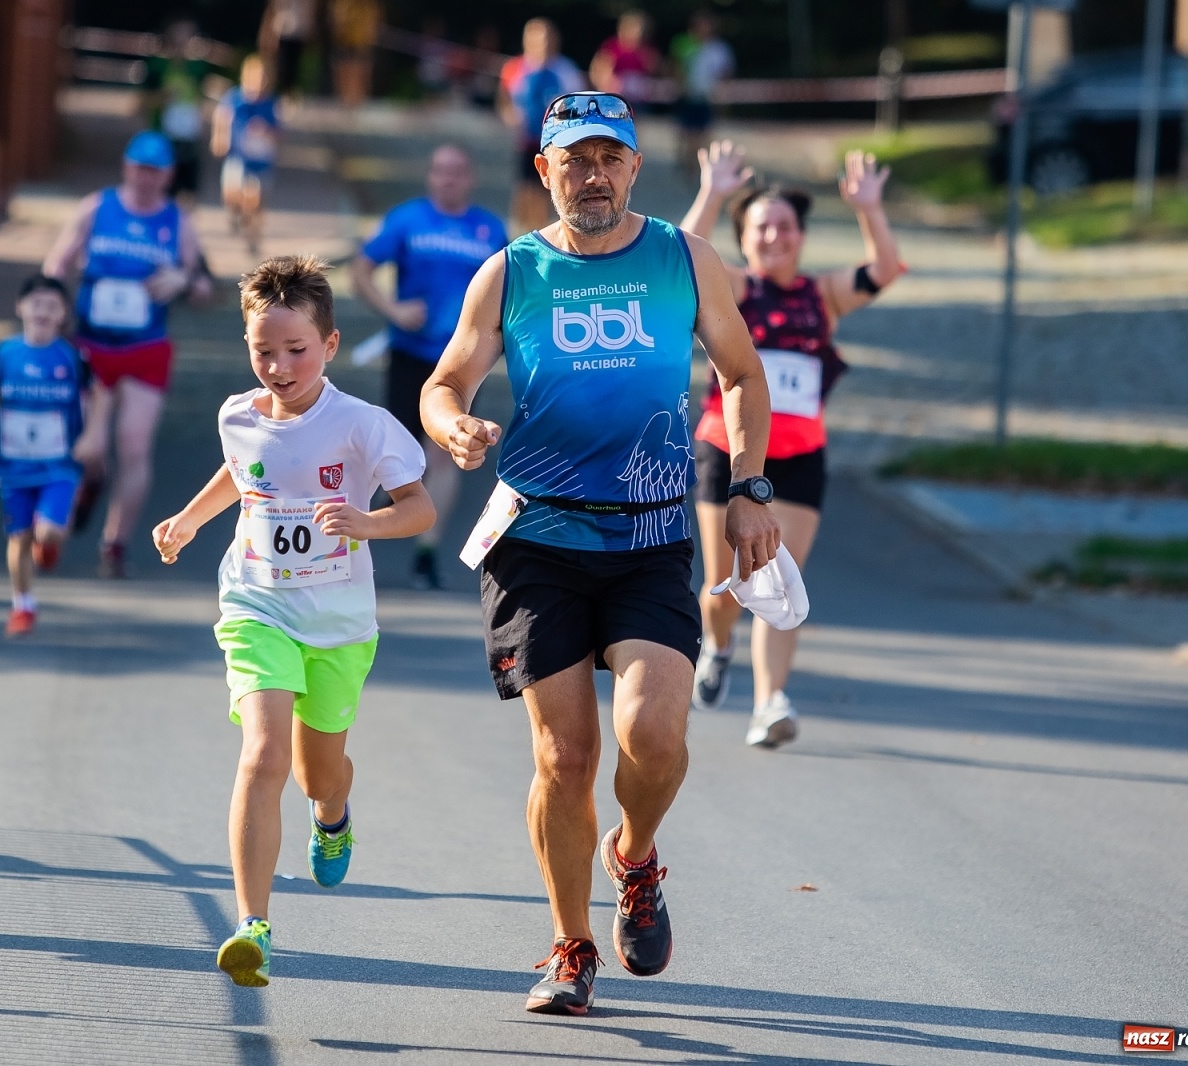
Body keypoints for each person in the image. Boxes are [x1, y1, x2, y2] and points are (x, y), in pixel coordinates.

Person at [420, 92, 782, 1015]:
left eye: (609, 158)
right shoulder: (510, 273)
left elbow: (742, 374)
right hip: (537, 538)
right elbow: (444, 380)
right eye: (573, 159)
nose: (593, 175)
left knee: (653, 736)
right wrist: (453, 424)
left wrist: (746, 488)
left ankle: (635, 856)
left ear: (633, 166)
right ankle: (569, 946)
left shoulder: (682, 259)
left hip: (654, 532)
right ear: (544, 171)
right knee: (563, 758)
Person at [151, 255, 435, 987]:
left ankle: (334, 814)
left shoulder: (362, 426)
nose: (278, 367)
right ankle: (253, 927)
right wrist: (185, 521)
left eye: (296, 350)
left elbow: (420, 509)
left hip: (339, 625)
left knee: (318, 775)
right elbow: (242, 473)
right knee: (263, 755)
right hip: (257, 605)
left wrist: (366, 522)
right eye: (263, 351)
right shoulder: (237, 415)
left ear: (331, 345)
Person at [681, 141, 902, 746]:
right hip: (726, 450)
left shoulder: (821, 296)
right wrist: (714, 192)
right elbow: (678, 257)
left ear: (801, 236)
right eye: (761, 228)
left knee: (781, 581)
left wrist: (869, 210)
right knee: (724, 586)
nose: (774, 237)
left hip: (800, 456)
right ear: (744, 239)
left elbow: (884, 269)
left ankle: (770, 702)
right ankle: (719, 645)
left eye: (785, 227)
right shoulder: (735, 291)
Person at [42, 130, 214, 579]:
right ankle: (86, 486)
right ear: (126, 167)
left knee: (134, 445)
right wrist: (51, 308)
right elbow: (56, 264)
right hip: (92, 345)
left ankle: (114, 543)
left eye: (155, 171)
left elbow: (203, 285)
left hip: (146, 348)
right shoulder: (97, 208)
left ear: (168, 175)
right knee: (87, 447)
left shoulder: (177, 221)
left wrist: (181, 280)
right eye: (139, 168)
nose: (145, 178)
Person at [351, 143, 507, 589]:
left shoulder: (489, 230)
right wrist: (394, 310)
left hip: (460, 362)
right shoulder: (406, 220)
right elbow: (361, 272)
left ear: (469, 177)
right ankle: (358, 535)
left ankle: (425, 553)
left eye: (457, 172)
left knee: (442, 451)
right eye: (440, 171)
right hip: (410, 353)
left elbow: (512, 292)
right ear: (430, 177)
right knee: (390, 451)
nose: (448, 179)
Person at [0, 275, 109, 637]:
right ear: (20, 307)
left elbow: (99, 396)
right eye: (36, 304)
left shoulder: (71, 356)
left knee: (46, 533)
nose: (43, 312)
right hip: (13, 463)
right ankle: (23, 605)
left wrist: (93, 436)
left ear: (64, 314)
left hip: (58, 463)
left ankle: (49, 541)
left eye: (53, 306)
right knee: (18, 538)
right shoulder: (5, 353)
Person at [496, 19, 584, 236]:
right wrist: (510, 116)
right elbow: (504, 98)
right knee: (524, 188)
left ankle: (539, 232)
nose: (542, 44)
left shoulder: (565, 70)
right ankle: (520, 231)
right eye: (536, 39)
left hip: (556, 140)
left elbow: (578, 102)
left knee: (546, 187)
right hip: (527, 139)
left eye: (546, 39)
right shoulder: (515, 68)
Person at [141, 16, 220, 208]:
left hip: (190, 139)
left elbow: (206, 100)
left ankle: (184, 231)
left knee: (189, 191)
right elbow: (140, 102)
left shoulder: (199, 68)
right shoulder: (157, 67)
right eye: (180, 37)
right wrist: (163, 97)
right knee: (163, 190)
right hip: (164, 138)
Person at [212, 54, 279, 256]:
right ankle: (235, 212)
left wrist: (266, 132)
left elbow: (279, 132)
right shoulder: (235, 99)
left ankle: (253, 238)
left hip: (260, 162)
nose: (259, 84)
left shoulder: (270, 104)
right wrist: (219, 138)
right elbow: (221, 118)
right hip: (237, 157)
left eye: (263, 79)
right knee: (231, 195)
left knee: (256, 200)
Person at [669, 10, 734, 174]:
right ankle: (687, 163)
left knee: (705, 133)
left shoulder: (719, 49)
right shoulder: (685, 44)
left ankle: (699, 166)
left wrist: (722, 94)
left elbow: (726, 73)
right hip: (688, 96)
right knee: (688, 132)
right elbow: (674, 67)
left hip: (708, 98)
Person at [589, 11, 658, 103]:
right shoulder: (611, 48)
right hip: (616, 100)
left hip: (643, 100)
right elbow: (598, 74)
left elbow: (654, 75)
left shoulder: (647, 52)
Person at [258, 0, 313, 101]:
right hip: (283, 31)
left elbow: (309, 12)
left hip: (299, 32)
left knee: (294, 65)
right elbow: (273, 10)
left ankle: (289, 92)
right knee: (282, 65)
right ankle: (279, 93)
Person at [331, 0, 381, 109]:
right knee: (344, 71)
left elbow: (372, 25)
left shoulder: (368, 6)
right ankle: (346, 102)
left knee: (360, 72)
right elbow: (337, 21)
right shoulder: (343, 4)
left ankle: (357, 102)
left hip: (361, 44)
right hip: (345, 42)